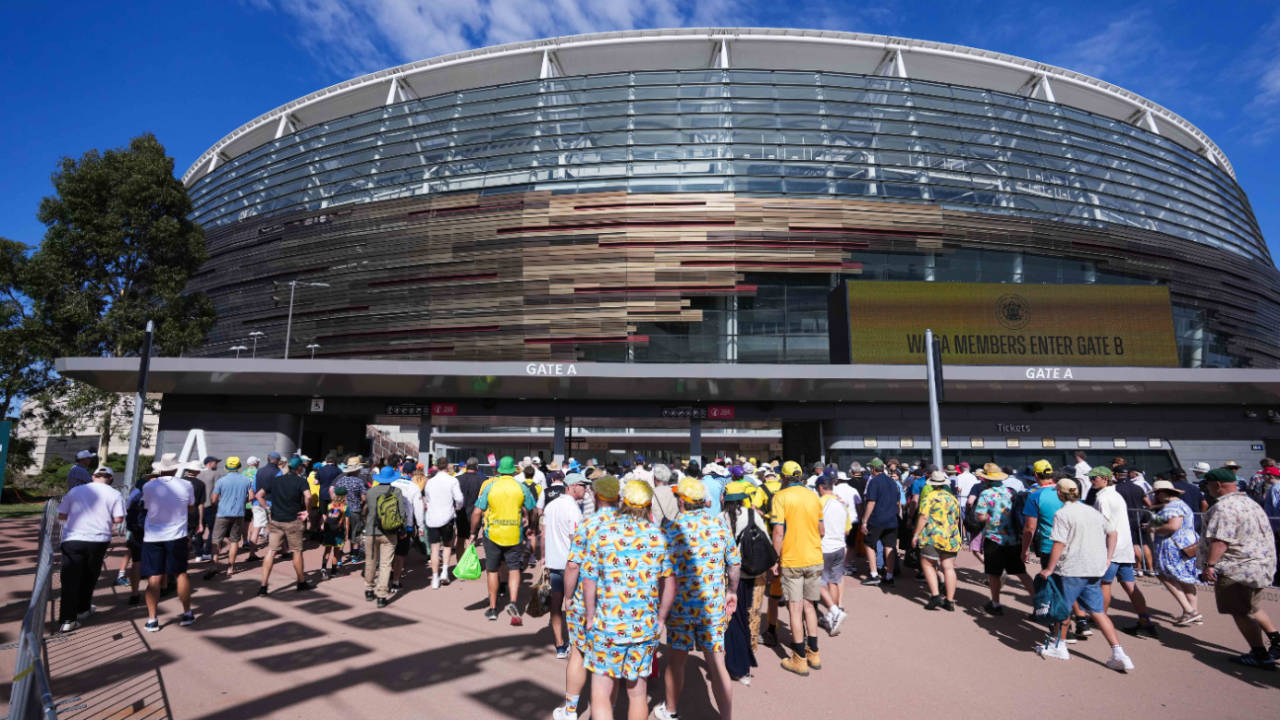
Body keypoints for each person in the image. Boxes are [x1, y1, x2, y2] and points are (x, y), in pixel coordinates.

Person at [581, 480, 674, 720]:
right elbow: (670, 583)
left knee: (601, 692)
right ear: (649, 504)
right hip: (643, 626)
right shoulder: (658, 536)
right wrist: (661, 618)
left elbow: (589, 579)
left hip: (607, 624)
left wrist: (590, 615)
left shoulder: (603, 531)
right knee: (637, 693)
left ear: (623, 501)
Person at [655, 478, 740, 720]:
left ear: (681, 501)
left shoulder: (670, 530)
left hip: (680, 607)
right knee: (716, 664)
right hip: (712, 606)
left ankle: (671, 711)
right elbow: (734, 564)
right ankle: (725, 716)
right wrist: (731, 591)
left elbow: (663, 575)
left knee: (676, 662)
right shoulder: (719, 525)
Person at [1035, 478, 1135, 671]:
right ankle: (1118, 651)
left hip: (1072, 568)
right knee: (1098, 611)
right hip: (1094, 568)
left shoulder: (1063, 513)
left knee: (1062, 608)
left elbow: (1059, 543)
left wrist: (1049, 568)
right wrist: (1108, 557)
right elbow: (1112, 533)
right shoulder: (1092, 511)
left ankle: (1060, 646)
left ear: (1059, 493)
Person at [554, 476, 620, 720]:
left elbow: (573, 565)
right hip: (618, 603)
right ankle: (607, 710)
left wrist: (568, 597)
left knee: (578, 653)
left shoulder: (588, 524)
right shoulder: (631, 525)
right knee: (611, 661)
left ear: (596, 496)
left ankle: (570, 710)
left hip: (585, 599)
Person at [1199, 467, 1280, 667]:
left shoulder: (1224, 507)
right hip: (1258, 564)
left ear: (1217, 485)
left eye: (1208, 485)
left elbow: (1221, 541)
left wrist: (1209, 565)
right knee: (1252, 607)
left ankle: (1259, 654)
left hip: (1237, 567)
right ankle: (1276, 640)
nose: (1207, 489)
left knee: (1240, 611)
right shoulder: (1249, 503)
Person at [1086, 467, 1158, 638]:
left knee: (1104, 584)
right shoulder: (1115, 495)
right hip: (1124, 547)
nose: (1091, 481)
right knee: (1129, 585)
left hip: (1111, 549)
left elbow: (1105, 526)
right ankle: (1145, 620)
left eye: (1094, 478)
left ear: (1104, 478)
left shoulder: (1103, 498)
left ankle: (1099, 618)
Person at [770, 461, 824, 676]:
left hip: (793, 559)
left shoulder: (780, 497)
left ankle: (799, 657)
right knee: (810, 606)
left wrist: (775, 559)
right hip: (814, 556)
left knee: (795, 608)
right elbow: (822, 530)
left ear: (783, 478)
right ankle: (814, 653)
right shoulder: (813, 496)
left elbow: (778, 532)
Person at [56, 465, 125, 632]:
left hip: (73, 538)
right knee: (90, 575)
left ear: (93, 476)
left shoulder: (75, 491)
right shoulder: (115, 494)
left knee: (70, 579)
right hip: (98, 539)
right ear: (110, 479)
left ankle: (67, 618)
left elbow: (62, 515)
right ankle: (83, 609)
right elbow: (118, 519)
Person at [471, 456, 537, 625]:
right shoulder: (521, 487)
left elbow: (477, 511)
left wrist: (473, 532)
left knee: (492, 570)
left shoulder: (490, 486)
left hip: (492, 533)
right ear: (514, 471)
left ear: (499, 470)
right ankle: (513, 602)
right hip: (514, 533)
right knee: (514, 568)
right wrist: (531, 526)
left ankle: (493, 608)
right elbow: (534, 510)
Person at [141, 460, 197, 632]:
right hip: (176, 534)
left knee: (154, 577)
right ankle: (187, 613)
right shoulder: (186, 484)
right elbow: (190, 508)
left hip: (153, 535)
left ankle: (152, 619)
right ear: (175, 468)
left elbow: (147, 507)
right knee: (181, 574)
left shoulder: (148, 486)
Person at [721, 487, 768, 684]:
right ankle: (745, 663)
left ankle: (737, 666)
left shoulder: (721, 517)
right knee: (749, 616)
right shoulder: (752, 515)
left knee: (733, 619)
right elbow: (765, 539)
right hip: (753, 573)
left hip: (730, 575)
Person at [974, 464, 1034, 616]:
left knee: (993, 573)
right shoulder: (1011, 492)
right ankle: (1039, 604)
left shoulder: (986, 494)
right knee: (1021, 572)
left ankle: (995, 604)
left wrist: (990, 519)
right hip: (1013, 538)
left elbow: (980, 516)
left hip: (994, 538)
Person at [256, 456, 314, 596]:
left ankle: (263, 586)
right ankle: (301, 582)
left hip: (276, 520)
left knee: (271, 551)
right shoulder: (301, 481)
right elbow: (308, 496)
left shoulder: (276, 481)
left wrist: (268, 509)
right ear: (299, 467)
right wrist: (307, 511)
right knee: (297, 551)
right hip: (293, 520)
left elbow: (259, 495)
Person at [1148, 479, 1202, 626]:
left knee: (1165, 575)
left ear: (1162, 493)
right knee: (1186, 578)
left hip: (1173, 546)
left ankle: (1189, 610)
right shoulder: (1182, 505)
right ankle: (1192, 611)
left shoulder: (1172, 507)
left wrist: (1153, 528)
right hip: (1188, 544)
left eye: (1157, 494)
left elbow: (1173, 526)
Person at [544, 473, 587, 658]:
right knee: (574, 605)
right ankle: (575, 643)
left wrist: (543, 558)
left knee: (556, 605)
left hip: (554, 563)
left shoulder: (551, 505)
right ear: (573, 486)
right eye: (583, 486)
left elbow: (543, 533)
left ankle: (560, 645)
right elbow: (575, 539)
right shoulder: (574, 509)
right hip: (571, 565)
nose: (586, 489)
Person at [912, 470, 960, 612]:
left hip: (932, 536)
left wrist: (916, 534)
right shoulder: (952, 498)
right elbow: (956, 519)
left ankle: (935, 596)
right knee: (948, 567)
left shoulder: (929, 497)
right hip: (950, 536)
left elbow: (924, 517)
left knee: (927, 564)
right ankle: (950, 601)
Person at [204, 457, 253, 580]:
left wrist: (220, 504)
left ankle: (214, 564)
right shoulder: (246, 480)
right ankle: (230, 567)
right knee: (235, 540)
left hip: (222, 513)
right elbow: (251, 497)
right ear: (239, 466)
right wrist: (243, 501)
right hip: (239, 513)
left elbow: (214, 499)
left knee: (216, 539)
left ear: (227, 467)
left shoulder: (221, 481)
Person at [363, 465, 405, 608]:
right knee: (386, 564)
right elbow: (402, 513)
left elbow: (367, 511)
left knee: (370, 561)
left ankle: (369, 589)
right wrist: (403, 529)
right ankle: (381, 596)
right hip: (390, 533)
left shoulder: (370, 492)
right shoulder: (397, 491)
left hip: (371, 531)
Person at [815, 477, 850, 632]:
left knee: (818, 582)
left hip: (824, 547)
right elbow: (847, 529)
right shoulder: (842, 504)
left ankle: (834, 612)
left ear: (821, 488)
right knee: (834, 582)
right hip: (840, 546)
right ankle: (832, 615)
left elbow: (815, 526)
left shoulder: (820, 503)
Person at [424, 458, 464, 588]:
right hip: (447, 517)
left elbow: (427, 499)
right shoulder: (452, 480)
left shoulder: (430, 482)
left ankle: (435, 578)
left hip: (432, 518)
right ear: (447, 467)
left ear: (436, 466)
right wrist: (457, 508)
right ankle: (445, 572)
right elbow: (459, 498)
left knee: (435, 549)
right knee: (447, 546)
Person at [860, 457, 900, 586]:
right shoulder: (892, 482)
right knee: (889, 546)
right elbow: (898, 502)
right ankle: (889, 575)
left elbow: (871, 502)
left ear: (873, 469)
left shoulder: (874, 482)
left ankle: (874, 574)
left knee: (868, 544)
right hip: (892, 519)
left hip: (877, 519)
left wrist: (864, 520)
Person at [390, 468, 425, 591]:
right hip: (406, 524)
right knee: (400, 554)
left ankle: (390, 572)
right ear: (412, 473)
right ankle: (395, 581)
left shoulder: (392, 483)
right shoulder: (414, 487)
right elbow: (419, 509)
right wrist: (420, 526)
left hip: (390, 523)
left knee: (390, 550)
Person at [333, 456, 368, 561]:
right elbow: (364, 498)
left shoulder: (341, 480)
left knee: (342, 534)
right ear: (356, 469)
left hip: (342, 510)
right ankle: (354, 556)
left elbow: (336, 495)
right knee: (356, 534)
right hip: (355, 510)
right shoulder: (359, 481)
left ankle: (338, 559)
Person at [455, 457, 487, 557]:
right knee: (471, 540)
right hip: (476, 514)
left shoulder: (457, 479)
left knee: (460, 540)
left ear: (466, 466)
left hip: (461, 513)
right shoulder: (483, 480)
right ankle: (468, 565)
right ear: (477, 467)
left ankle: (460, 565)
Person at [193, 456, 221, 562]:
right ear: (209, 463)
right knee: (213, 531)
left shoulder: (198, 475)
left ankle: (198, 553)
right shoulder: (216, 474)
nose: (217, 464)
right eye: (215, 462)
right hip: (211, 506)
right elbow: (218, 492)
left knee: (199, 530)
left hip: (198, 506)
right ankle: (207, 552)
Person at [320, 487, 349, 578]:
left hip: (329, 531)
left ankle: (323, 569)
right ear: (345, 496)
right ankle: (333, 572)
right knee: (336, 552)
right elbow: (347, 523)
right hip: (338, 532)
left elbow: (325, 517)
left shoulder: (330, 505)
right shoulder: (345, 507)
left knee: (327, 551)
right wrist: (346, 534)